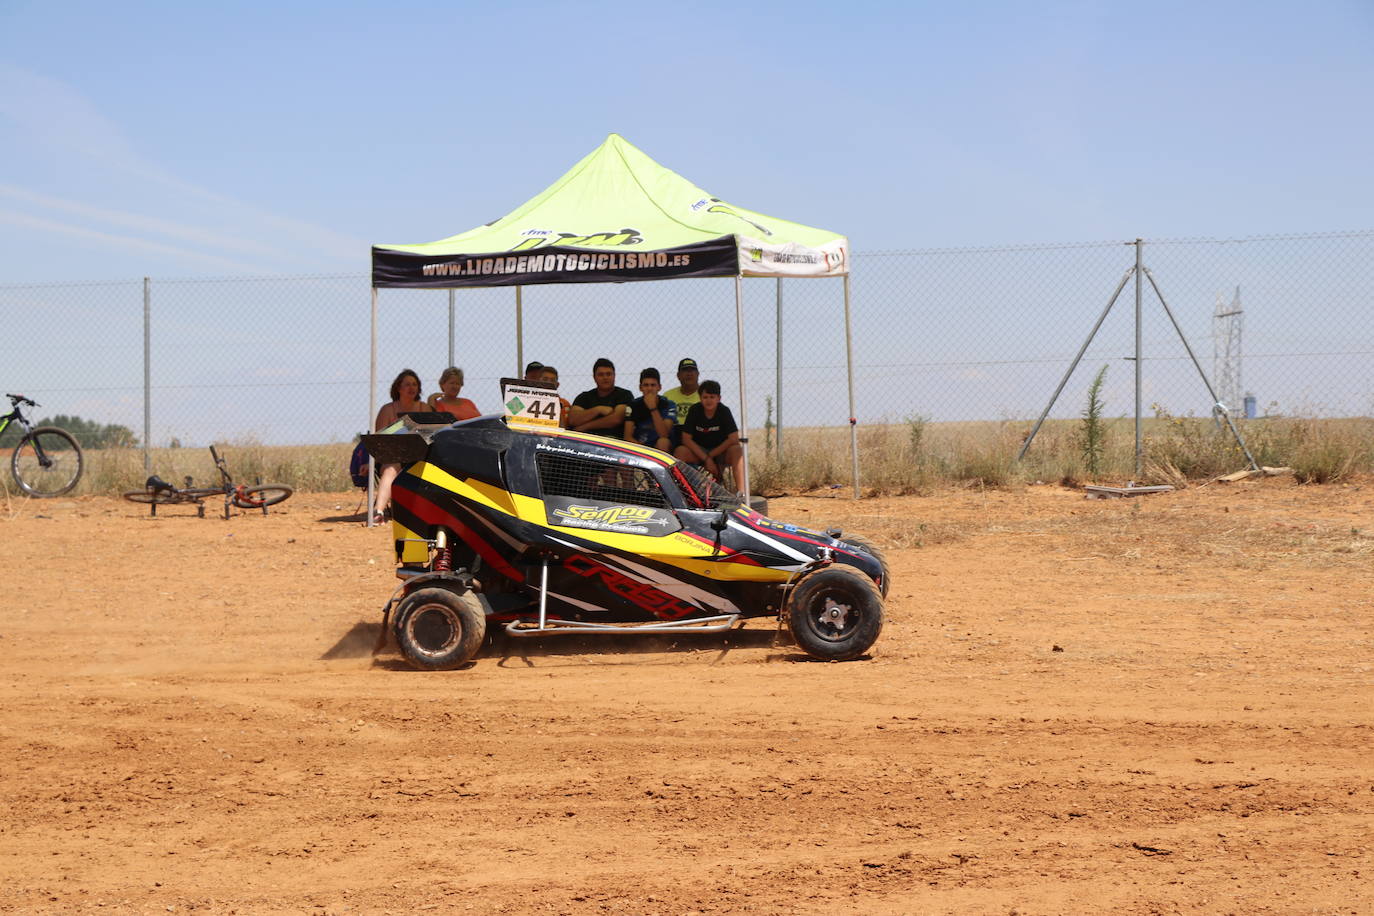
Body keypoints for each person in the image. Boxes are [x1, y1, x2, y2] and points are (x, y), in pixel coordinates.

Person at [372, 368, 426, 522]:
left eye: (415, 384)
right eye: (407, 384)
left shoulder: (425, 408)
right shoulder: (387, 410)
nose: (412, 388)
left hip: (419, 456)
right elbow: (380, 441)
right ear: (398, 388)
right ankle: (378, 511)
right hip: (392, 456)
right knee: (391, 468)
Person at [676, 379, 744, 489]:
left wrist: (710, 456)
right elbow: (686, 439)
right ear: (700, 398)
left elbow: (734, 438)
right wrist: (706, 459)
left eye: (712, 397)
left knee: (737, 450)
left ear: (719, 398)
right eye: (705, 397)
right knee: (680, 451)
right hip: (699, 452)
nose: (709, 401)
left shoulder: (724, 411)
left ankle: (742, 493)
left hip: (720, 452)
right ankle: (682, 492)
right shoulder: (694, 410)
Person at [569, 358, 633, 437]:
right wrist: (598, 409)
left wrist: (584, 426)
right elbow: (573, 420)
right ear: (594, 377)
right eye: (601, 374)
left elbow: (616, 419)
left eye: (608, 374)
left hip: (615, 443)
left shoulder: (624, 394)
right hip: (587, 441)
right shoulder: (584, 397)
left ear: (614, 376)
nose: (605, 377)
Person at [624, 367, 677, 452]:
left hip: (661, 447)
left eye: (653, 385)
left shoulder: (668, 404)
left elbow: (664, 434)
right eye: (646, 385)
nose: (649, 389)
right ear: (640, 387)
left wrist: (653, 408)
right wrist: (645, 451)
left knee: (663, 442)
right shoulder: (633, 405)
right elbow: (627, 437)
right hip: (640, 446)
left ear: (659, 387)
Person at [663, 358, 702, 428]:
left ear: (698, 374)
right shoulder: (668, 396)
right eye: (685, 370)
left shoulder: (706, 395)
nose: (689, 374)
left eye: (692, 370)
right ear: (678, 375)